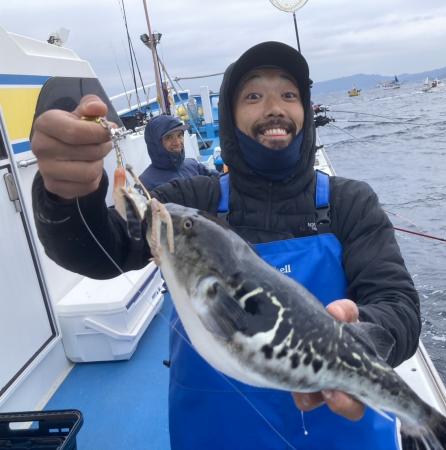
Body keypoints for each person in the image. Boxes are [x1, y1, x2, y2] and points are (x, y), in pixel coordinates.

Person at [31, 41, 421, 450]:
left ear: (305, 111)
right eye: (253, 96)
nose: (274, 108)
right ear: (230, 117)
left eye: (289, 95)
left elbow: (398, 305)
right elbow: (98, 251)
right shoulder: (191, 201)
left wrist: (357, 339)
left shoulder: (350, 202)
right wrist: (66, 195)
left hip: (341, 430)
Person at [139, 115, 217, 191]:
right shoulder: (145, 183)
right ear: (155, 144)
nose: (177, 142)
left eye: (179, 135)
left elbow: (217, 179)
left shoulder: (193, 165)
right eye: (169, 137)